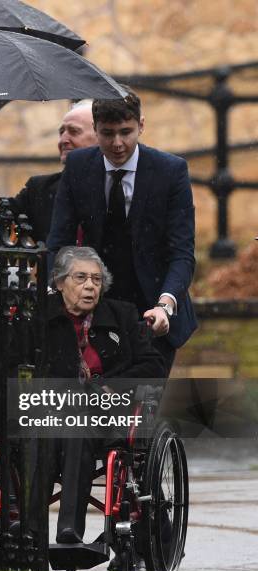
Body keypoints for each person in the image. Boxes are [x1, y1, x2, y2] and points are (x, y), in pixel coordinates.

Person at [46, 92, 198, 372]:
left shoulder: (170, 171)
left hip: (153, 312)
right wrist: (58, 292)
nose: (117, 144)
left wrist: (166, 305)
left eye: (126, 132)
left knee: (142, 407)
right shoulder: (79, 166)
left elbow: (182, 253)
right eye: (108, 134)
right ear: (95, 129)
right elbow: (59, 242)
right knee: (96, 410)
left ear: (141, 125)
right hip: (96, 308)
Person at [25, 246, 165, 545]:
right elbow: (16, 363)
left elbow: (152, 363)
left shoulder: (122, 314)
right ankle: (31, 532)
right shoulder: (38, 316)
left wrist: (113, 384)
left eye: (97, 280)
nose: (90, 286)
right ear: (60, 282)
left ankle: (69, 531)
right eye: (81, 278)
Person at [0, 101, 97, 242]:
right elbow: (5, 221)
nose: (63, 140)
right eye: (61, 132)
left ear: (100, 136)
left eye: (74, 131)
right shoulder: (39, 189)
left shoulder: (115, 185)